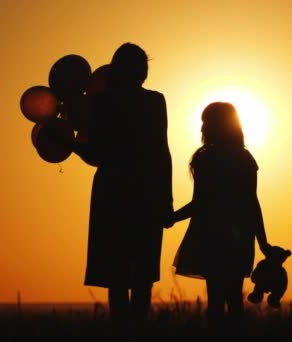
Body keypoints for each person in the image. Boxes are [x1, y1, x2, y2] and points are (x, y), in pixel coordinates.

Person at [65, 43, 174, 328]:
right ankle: (135, 329)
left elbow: (96, 154)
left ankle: (122, 330)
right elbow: (162, 152)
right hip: (145, 192)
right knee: (141, 273)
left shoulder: (102, 104)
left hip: (113, 191)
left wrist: (71, 146)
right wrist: (166, 199)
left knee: (119, 275)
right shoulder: (153, 102)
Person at [168, 102, 272, 334]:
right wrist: (263, 242)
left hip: (210, 235)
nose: (202, 127)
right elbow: (251, 203)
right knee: (234, 299)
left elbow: (200, 202)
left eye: (206, 122)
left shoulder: (206, 158)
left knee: (215, 300)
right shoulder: (244, 158)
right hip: (238, 237)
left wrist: (174, 217)